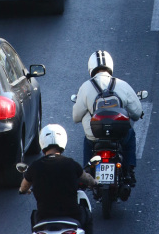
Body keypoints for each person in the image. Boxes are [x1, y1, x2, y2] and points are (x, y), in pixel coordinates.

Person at [73, 50, 143, 186]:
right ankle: (129, 170)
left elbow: (76, 117)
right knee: (130, 135)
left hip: (95, 136)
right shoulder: (122, 85)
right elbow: (137, 112)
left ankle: (86, 172)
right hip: (119, 136)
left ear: (91, 68)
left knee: (87, 141)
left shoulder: (85, 87)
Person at [19, 124, 97, 234]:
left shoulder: (35, 166)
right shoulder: (71, 164)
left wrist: (23, 191)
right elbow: (87, 179)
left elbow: (23, 187)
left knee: (34, 220)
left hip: (43, 217)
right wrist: (95, 183)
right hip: (72, 215)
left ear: (42, 142)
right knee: (87, 216)